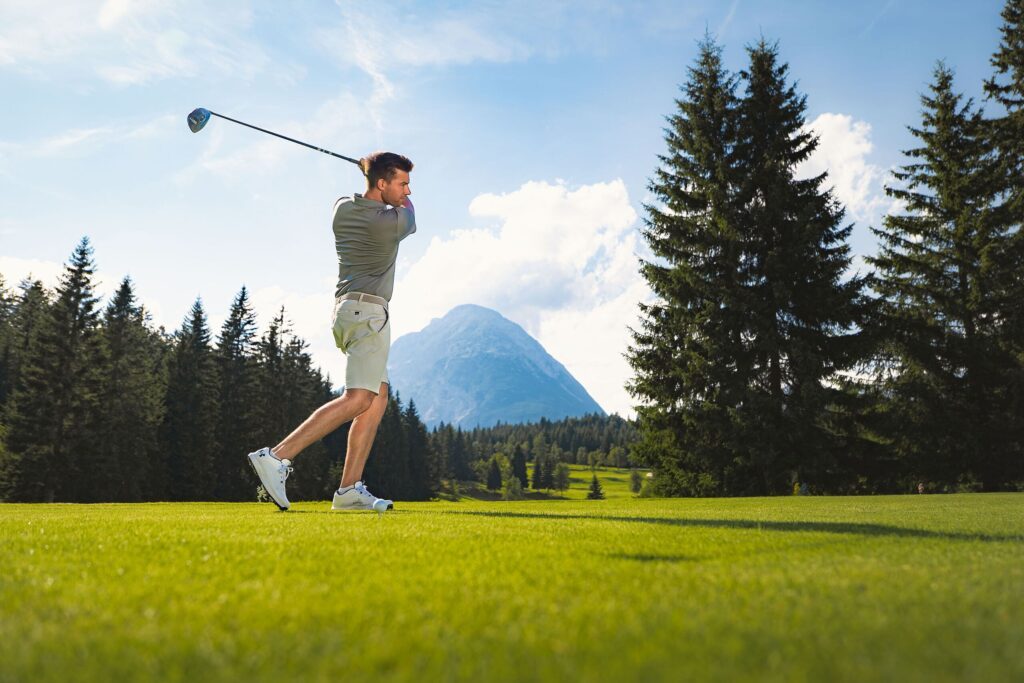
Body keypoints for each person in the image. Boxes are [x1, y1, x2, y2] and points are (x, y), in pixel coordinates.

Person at [247, 152, 416, 512]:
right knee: (359, 398)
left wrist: (369, 177)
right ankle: (277, 456)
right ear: (382, 183)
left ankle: (348, 490)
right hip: (369, 314)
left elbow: (363, 197)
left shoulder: (342, 209)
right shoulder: (391, 223)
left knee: (377, 396)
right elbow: (410, 213)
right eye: (402, 183)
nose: (407, 191)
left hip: (346, 312)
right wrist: (384, 185)